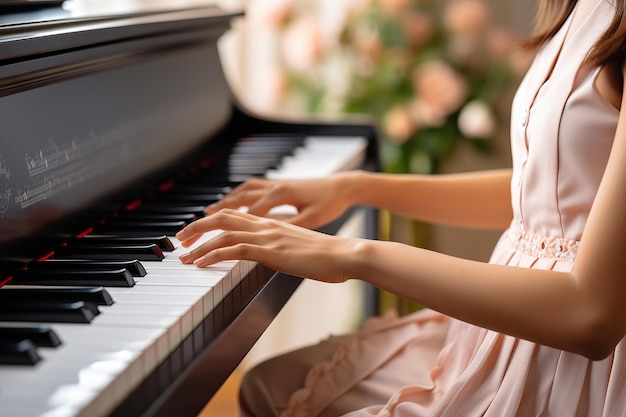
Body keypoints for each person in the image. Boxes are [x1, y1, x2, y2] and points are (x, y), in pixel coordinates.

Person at [176, 0, 626, 414]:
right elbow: (546, 193)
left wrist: (352, 254)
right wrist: (359, 187)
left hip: (568, 363)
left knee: (275, 395)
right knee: (269, 385)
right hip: (500, 334)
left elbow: (589, 316)